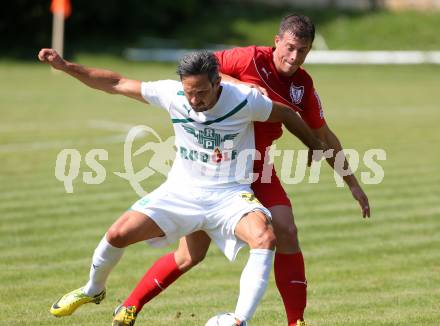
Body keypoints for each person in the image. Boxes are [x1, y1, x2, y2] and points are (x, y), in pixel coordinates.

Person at [39, 48, 325, 325]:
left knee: (265, 238)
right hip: (181, 192)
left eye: (201, 92)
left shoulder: (245, 100)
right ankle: (93, 289)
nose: (194, 99)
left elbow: (287, 114)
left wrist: (313, 144)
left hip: (229, 195)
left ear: (217, 82)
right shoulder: (173, 94)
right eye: (190, 91)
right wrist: (66, 67)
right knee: (118, 233)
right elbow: (116, 82)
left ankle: (239, 320)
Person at [118, 14, 371, 326]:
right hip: (215, 170)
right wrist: (243, 88)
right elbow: (205, 66)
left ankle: (297, 321)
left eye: (302, 51)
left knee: (286, 230)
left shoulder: (302, 85)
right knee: (190, 255)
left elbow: (323, 135)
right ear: (277, 41)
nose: (293, 57)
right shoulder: (249, 58)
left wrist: (353, 183)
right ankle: (129, 306)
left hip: (258, 168)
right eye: (289, 47)